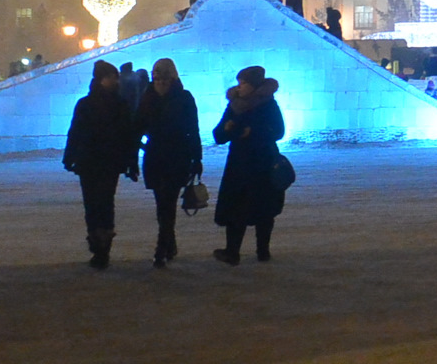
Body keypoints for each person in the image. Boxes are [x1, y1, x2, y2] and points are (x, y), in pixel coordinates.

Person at [63, 61, 138, 268]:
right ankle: (101, 246)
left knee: (98, 204)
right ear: (102, 78)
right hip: (101, 161)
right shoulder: (114, 104)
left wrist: (70, 156)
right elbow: (76, 131)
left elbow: (76, 132)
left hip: (96, 161)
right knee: (100, 204)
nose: (116, 80)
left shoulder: (91, 104)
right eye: (113, 77)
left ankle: (99, 247)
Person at [212, 66, 286, 265]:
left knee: (264, 209)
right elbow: (218, 134)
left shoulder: (269, 105)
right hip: (239, 165)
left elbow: (279, 132)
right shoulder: (234, 106)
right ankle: (232, 251)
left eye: (243, 83)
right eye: (239, 83)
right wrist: (228, 130)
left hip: (263, 163)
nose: (239, 87)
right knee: (236, 209)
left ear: (254, 85)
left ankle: (263, 250)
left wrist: (251, 132)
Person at [135, 58, 202, 267]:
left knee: (167, 203)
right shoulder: (148, 97)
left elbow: (193, 129)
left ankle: (161, 248)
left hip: (176, 156)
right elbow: (137, 126)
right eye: (157, 78)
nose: (161, 82)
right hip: (156, 156)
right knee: (162, 204)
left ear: (172, 78)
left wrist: (196, 158)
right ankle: (169, 242)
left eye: (164, 78)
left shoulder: (183, 98)